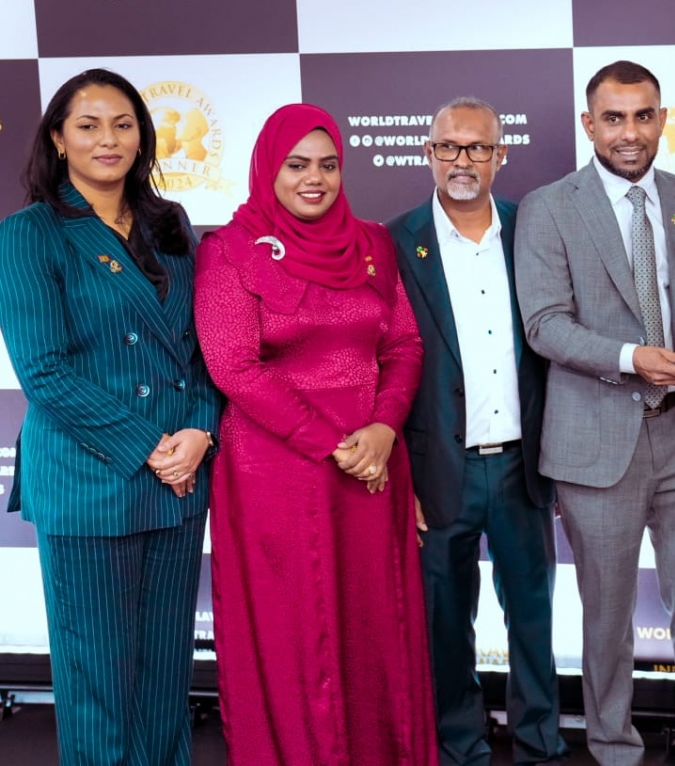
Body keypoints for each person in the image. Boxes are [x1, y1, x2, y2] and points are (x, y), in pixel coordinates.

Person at [194, 104, 435, 765]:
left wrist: (382, 429)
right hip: (278, 474)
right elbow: (233, 367)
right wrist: (333, 443)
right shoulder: (229, 250)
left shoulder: (372, 243)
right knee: (298, 632)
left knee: (373, 624)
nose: (315, 179)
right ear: (268, 170)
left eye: (328, 166)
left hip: (371, 469)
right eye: (297, 165)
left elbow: (404, 344)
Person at [0, 69, 220, 766]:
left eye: (123, 124)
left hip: (179, 481)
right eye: (88, 125)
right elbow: (45, 372)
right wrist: (154, 446)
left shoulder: (170, 223)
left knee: (164, 683)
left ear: (142, 136)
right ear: (58, 140)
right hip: (90, 483)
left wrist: (201, 430)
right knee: (98, 687)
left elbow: (202, 348)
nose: (108, 139)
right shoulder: (28, 234)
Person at [515, 61, 675, 766]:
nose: (629, 132)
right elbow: (545, 325)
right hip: (594, 441)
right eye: (613, 118)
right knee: (607, 620)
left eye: (643, 116)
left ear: (662, 119)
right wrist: (634, 357)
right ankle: (613, 750)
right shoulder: (549, 207)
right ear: (589, 124)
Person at [388, 97, 566, 766]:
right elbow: (382, 361)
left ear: (500, 154)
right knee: (443, 625)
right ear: (428, 153)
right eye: (449, 146)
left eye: (478, 147)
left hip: (523, 465)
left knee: (534, 619)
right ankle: (460, 747)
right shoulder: (393, 243)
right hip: (437, 467)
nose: (462, 160)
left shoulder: (533, 230)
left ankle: (539, 745)